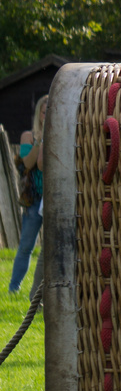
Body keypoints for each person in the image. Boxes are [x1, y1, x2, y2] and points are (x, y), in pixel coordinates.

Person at [9, 96, 47, 295]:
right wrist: (41, 141)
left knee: (48, 249)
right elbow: (29, 163)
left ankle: (40, 291)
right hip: (34, 198)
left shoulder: (58, 134)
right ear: (38, 114)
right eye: (44, 111)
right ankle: (13, 288)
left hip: (52, 198)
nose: (47, 115)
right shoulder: (28, 136)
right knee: (26, 246)